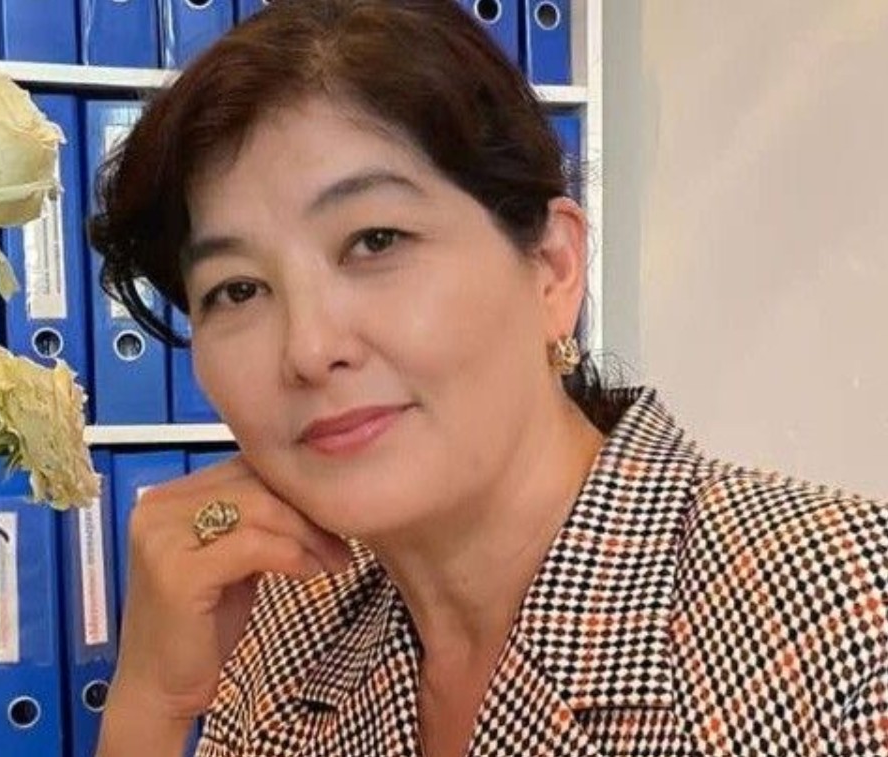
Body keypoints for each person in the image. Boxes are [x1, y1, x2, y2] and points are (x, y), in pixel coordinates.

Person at [89, 1, 888, 754]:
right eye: (236, 289)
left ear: (551, 267)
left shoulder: (847, 614)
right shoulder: (283, 625)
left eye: (374, 241)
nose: (308, 348)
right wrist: (150, 703)